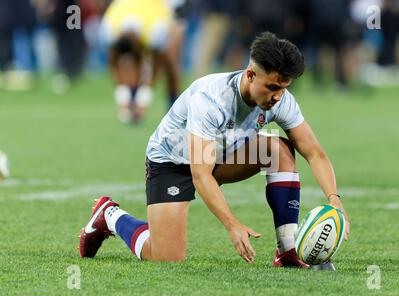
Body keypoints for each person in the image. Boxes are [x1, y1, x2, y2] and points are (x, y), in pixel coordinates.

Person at [78, 32, 350, 269]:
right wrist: (233, 225)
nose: (278, 96)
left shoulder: (280, 101)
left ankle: (288, 251)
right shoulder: (210, 99)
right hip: (173, 162)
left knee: (277, 149)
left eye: (284, 88)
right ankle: (109, 215)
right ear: (251, 74)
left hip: (221, 154)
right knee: (166, 257)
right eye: (272, 87)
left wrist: (334, 198)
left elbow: (314, 152)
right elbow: (200, 174)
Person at [100, 0, 181, 124]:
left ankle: (174, 107)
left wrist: (144, 101)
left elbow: (155, 67)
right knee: (133, 73)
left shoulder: (155, 32)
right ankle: (132, 96)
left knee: (170, 63)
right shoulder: (109, 30)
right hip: (132, 9)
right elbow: (113, 63)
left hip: (166, 5)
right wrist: (123, 97)